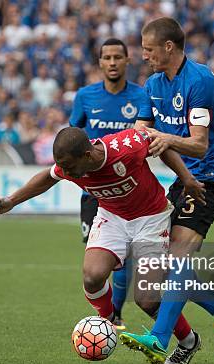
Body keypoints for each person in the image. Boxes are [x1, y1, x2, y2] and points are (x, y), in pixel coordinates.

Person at [0, 127, 206, 353]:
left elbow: (160, 143)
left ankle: (189, 341)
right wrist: (11, 201)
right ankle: (108, 322)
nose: (66, 171)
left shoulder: (126, 147)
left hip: (151, 218)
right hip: (112, 217)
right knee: (92, 277)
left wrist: (187, 178)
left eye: (69, 166)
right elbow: (46, 178)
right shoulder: (70, 165)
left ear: (87, 156)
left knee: (146, 301)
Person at [120, 17, 214, 364]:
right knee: (167, 267)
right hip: (182, 179)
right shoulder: (153, 84)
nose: (143, 56)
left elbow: (200, 145)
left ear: (168, 47)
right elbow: (141, 132)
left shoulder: (200, 81)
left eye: (148, 50)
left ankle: (160, 339)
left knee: (178, 258)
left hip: (210, 178)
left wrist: (166, 139)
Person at [69, 38, 145, 330]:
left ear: (128, 61)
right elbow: (72, 136)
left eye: (117, 57)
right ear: (100, 63)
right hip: (94, 192)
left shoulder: (140, 97)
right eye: (107, 58)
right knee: (97, 256)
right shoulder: (86, 96)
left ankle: (115, 316)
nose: (112, 62)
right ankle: (111, 314)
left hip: (128, 189)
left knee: (122, 258)